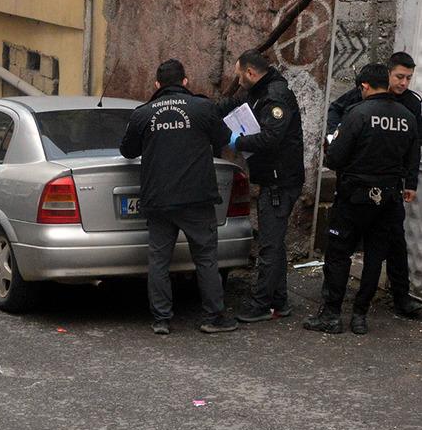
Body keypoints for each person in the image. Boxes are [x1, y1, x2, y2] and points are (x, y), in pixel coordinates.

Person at [120, 59, 237, 335]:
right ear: (185, 81)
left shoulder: (143, 114)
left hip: (159, 199)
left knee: (159, 260)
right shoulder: (202, 108)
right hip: (197, 198)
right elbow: (223, 138)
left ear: (157, 85)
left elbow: (127, 151)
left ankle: (161, 319)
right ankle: (213, 317)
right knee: (206, 258)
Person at [304, 63, 419, 334]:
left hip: (354, 198)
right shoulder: (408, 117)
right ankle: (360, 315)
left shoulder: (357, 114)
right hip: (388, 198)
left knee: (339, 253)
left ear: (364, 86)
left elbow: (335, 158)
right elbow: (412, 158)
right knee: (375, 257)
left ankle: (331, 314)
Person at [219, 50, 305, 323]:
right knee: (274, 243)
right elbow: (232, 105)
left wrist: (238, 143)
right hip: (272, 178)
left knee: (269, 244)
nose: (238, 80)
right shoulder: (258, 92)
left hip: (280, 181)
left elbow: (271, 138)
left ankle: (262, 303)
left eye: (239, 75)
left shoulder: (275, 97)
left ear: (250, 73)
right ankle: (279, 302)